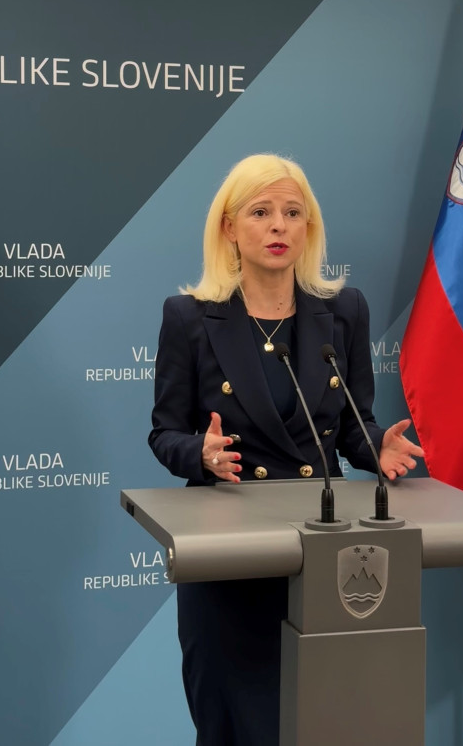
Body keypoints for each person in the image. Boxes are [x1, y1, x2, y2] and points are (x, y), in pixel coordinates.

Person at [149, 153, 423, 746]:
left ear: (309, 229)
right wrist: (201, 453)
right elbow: (163, 432)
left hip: (319, 560)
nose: (279, 226)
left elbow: (354, 427)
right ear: (229, 227)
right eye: (262, 212)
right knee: (235, 726)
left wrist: (379, 449)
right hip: (230, 562)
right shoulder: (190, 318)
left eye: (293, 213)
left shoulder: (343, 312)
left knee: (316, 725)